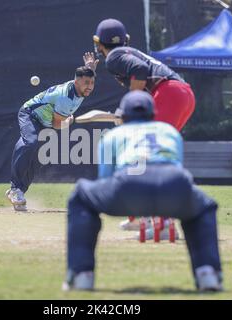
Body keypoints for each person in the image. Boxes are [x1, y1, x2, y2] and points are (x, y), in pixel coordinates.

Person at [62, 91, 222, 292]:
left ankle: (80, 275)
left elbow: (106, 179)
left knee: (81, 196)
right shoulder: (169, 131)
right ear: (153, 114)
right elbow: (177, 167)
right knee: (204, 207)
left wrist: (130, 200)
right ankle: (208, 273)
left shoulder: (113, 135)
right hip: (173, 183)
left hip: (127, 183)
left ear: (123, 116)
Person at [85, 18, 196, 233]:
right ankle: (138, 216)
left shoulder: (114, 57)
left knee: (151, 155)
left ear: (99, 43)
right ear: (125, 39)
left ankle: (162, 221)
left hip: (169, 93)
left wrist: (132, 105)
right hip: (183, 94)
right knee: (146, 153)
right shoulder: (126, 52)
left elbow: (140, 69)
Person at [6, 66, 95, 211]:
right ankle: (15, 188)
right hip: (30, 114)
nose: (90, 86)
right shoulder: (66, 97)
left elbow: (52, 123)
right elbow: (57, 124)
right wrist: (69, 122)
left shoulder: (79, 88)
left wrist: (90, 67)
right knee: (30, 143)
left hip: (45, 123)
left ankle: (19, 192)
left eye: (92, 82)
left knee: (39, 158)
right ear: (76, 81)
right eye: (86, 83)